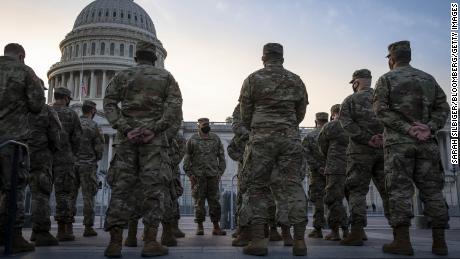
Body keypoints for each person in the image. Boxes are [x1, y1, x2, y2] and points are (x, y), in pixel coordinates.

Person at [103, 41, 183, 258]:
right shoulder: (166, 78)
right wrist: (154, 129)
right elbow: (174, 109)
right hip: (154, 141)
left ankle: (114, 243)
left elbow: (108, 103)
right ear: (154, 58)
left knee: (121, 189)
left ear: (136, 57)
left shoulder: (122, 76)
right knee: (153, 190)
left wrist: (126, 128)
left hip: (126, 140)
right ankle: (149, 242)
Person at [373, 40, 450, 256]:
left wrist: (407, 129)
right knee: (433, 191)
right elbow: (443, 107)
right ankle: (440, 242)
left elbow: (381, 111)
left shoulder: (386, 79)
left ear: (392, 58)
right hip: (427, 143)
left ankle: (402, 242)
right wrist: (429, 127)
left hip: (399, 144)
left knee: (399, 191)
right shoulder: (429, 79)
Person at [238, 43, 308, 256]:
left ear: (263, 58)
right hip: (290, 138)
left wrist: (261, 128)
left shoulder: (252, 79)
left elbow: (245, 114)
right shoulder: (296, 80)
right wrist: (286, 126)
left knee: (257, 188)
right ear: (282, 58)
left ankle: (259, 241)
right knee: (293, 186)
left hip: (261, 139)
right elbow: (301, 112)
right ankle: (299, 242)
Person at [0, 43, 44, 253]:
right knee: (13, 186)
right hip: (11, 140)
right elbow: (37, 105)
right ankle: (13, 235)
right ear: (21, 56)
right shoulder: (24, 71)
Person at [339, 69, 389, 246]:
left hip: (360, 151)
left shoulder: (351, 100)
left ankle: (357, 233)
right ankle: (401, 236)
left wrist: (367, 138)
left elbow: (346, 124)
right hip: (385, 150)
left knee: (357, 192)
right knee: (389, 190)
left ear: (355, 82)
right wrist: (384, 137)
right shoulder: (384, 97)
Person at [28, 80, 62, 246]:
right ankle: (40, 231)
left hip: (15, 155)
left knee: (11, 192)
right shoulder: (46, 110)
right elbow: (56, 137)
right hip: (39, 157)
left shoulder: (15, 109)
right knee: (40, 194)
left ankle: (8, 230)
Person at [183, 118, 227, 236]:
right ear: (199, 126)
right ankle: (200, 226)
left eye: (207, 124)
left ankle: (216, 227)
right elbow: (187, 158)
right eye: (203, 125)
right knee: (199, 202)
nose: (206, 126)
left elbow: (222, 157)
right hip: (198, 177)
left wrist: (220, 172)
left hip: (212, 176)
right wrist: (190, 174)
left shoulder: (215, 138)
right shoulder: (192, 140)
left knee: (215, 202)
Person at [52, 87, 82, 242]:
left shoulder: (43, 111)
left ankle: (38, 230)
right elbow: (77, 139)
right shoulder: (71, 114)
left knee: (40, 195)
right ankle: (63, 230)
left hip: (43, 159)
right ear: (66, 98)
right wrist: (72, 154)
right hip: (64, 159)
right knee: (64, 194)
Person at [318, 104, 349, 241]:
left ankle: (336, 232)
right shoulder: (354, 124)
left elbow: (322, 146)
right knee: (355, 199)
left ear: (333, 114)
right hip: (356, 166)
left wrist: (329, 157)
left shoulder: (331, 126)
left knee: (333, 200)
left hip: (336, 168)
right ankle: (356, 231)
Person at [74, 100, 104, 237]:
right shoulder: (94, 125)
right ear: (92, 111)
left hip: (72, 164)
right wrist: (94, 158)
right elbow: (99, 149)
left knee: (68, 196)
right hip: (88, 164)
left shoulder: (73, 124)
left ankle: (65, 227)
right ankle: (88, 227)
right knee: (88, 197)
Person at [302, 112, 328, 238]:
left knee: (318, 201)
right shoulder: (334, 135)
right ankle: (341, 229)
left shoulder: (310, 136)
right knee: (335, 200)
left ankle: (318, 229)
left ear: (316, 121)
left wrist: (318, 167)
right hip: (334, 172)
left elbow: (306, 155)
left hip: (317, 173)